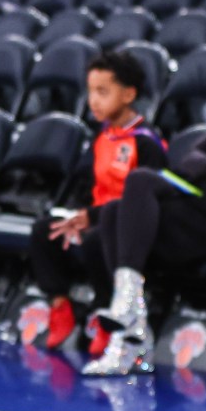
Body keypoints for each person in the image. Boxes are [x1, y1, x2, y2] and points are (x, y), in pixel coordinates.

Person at [31, 51, 166, 353]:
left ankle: (109, 317)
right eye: (91, 91)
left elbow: (149, 199)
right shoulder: (102, 137)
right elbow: (91, 188)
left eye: (103, 92)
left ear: (129, 94)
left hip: (126, 229)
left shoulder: (146, 142)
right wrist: (78, 216)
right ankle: (60, 306)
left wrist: (91, 216)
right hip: (94, 217)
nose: (93, 100)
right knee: (44, 230)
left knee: (95, 240)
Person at [80, 128, 206, 376]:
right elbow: (191, 159)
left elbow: (198, 163)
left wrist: (203, 168)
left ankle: (131, 319)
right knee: (113, 210)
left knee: (139, 186)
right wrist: (203, 169)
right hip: (195, 203)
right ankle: (130, 320)